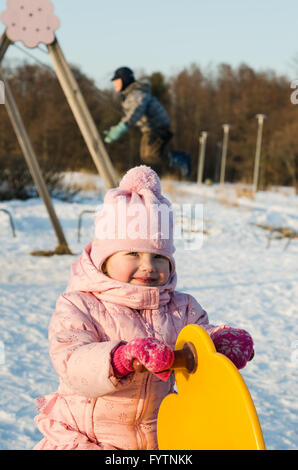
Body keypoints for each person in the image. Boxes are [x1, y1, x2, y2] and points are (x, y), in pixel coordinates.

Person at [33, 165, 254, 450]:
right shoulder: (79, 304)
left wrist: (218, 342)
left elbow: (197, 338)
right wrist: (121, 358)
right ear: (105, 258)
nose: (148, 267)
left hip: (157, 439)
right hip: (88, 439)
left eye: (159, 256)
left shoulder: (181, 307)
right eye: (133, 253)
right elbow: (72, 362)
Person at [104, 67, 186, 175]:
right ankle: (176, 158)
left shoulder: (137, 94)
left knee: (152, 154)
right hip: (149, 128)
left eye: (117, 80)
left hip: (158, 126)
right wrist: (117, 127)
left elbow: (136, 111)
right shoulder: (129, 94)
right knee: (146, 156)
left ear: (125, 80)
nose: (114, 83)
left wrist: (121, 127)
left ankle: (182, 158)